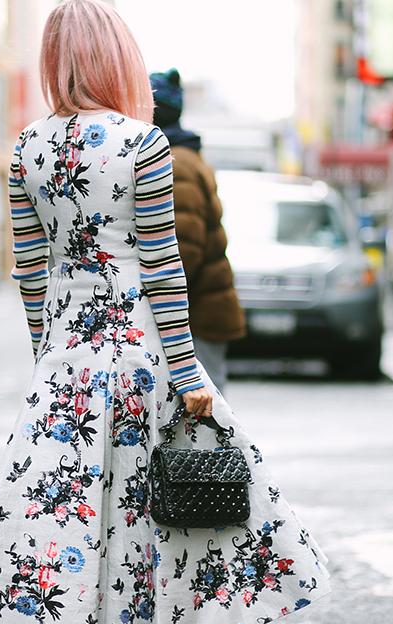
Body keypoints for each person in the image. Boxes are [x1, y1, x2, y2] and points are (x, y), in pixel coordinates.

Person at [0, 2, 331, 624]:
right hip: (141, 363)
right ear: (117, 59)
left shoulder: (26, 148)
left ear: (54, 60)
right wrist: (190, 371)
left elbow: (30, 273)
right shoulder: (144, 144)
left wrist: (48, 358)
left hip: (65, 368)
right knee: (165, 525)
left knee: (51, 526)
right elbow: (163, 270)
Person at [149, 69, 246, 393]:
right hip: (204, 311)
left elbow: (182, 251)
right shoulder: (186, 156)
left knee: (205, 416)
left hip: (195, 318)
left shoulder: (175, 163)